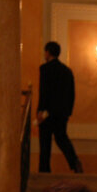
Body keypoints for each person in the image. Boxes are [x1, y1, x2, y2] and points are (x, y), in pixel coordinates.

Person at [37, 41, 81, 173]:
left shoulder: (45, 69)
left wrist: (40, 110)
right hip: (61, 113)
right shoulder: (67, 71)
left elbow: (44, 91)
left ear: (48, 52)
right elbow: (71, 93)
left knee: (45, 143)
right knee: (61, 138)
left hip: (47, 113)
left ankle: (44, 170)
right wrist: (68, 111)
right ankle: (74, 162)